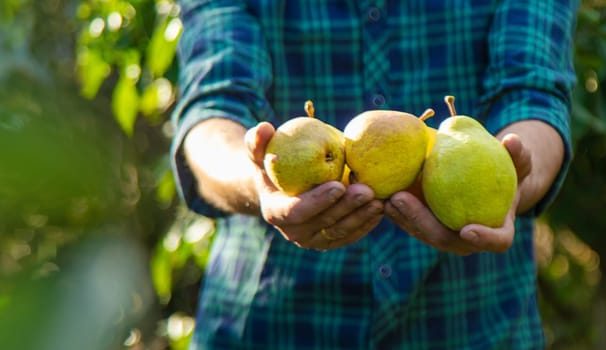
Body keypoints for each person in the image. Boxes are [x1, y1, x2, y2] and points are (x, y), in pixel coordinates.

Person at [171, 0, 579, 348]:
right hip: (276, 321)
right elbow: (212, 108)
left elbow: (534, 92)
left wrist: (509, 179)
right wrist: (257, 180)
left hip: (473, 319)